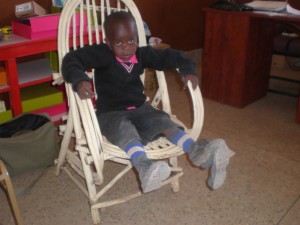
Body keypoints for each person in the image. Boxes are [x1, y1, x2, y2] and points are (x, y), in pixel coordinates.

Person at [62, 11, 235, 193]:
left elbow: (171, 56)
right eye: (118, 43)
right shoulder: (102, 54)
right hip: (111, 113)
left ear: (137, 38)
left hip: (140, 108)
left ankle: (199, 151)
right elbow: (72, 59)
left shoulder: (142, 54)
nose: (127, 48)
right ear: (108, 43)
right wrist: (79, 79)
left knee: (161, 121)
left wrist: (187, 68)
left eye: (131, 41)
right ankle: (145, 167)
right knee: (125, 130)